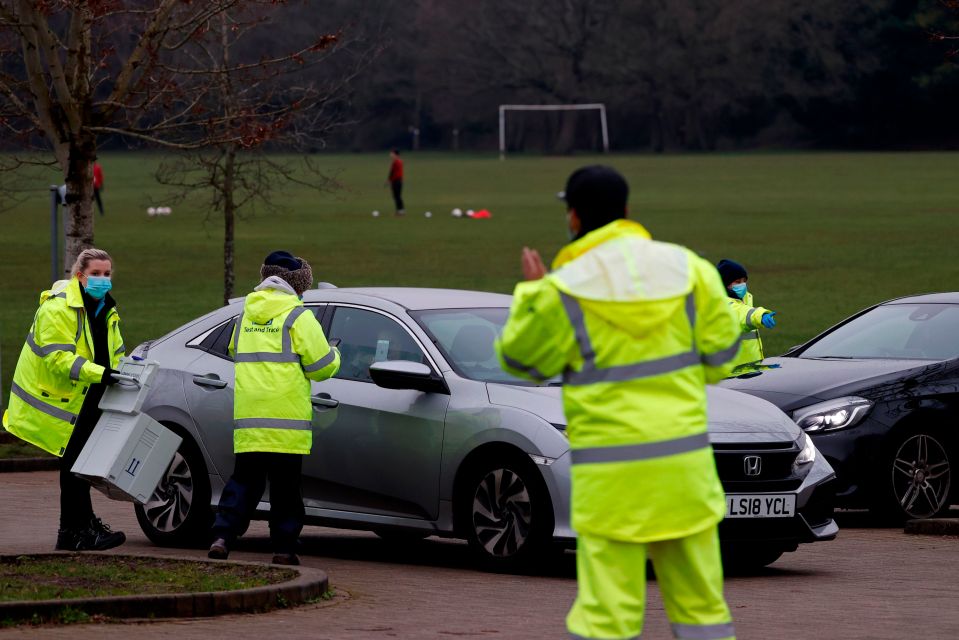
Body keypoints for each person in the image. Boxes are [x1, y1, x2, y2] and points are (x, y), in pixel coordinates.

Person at [496, 165, 741, 640]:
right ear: (627, 212)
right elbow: (722, 357)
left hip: (611, 484)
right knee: (703, 612)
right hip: (683, 473)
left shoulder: (562, 288)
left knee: (607, 618)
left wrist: (530, 291)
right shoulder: (689, 268)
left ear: (572, 217)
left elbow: (520, 362)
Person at [208, 251, 340, 565]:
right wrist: (335, 353)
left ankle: (222, 537)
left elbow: (232, 349)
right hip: (286, 419)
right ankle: (283, 548)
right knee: (285, 488)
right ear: (297, 284)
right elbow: (321, 367)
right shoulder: (298, 316)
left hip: (250, 416)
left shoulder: (245, 314)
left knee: (244, 481)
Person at [3, 248, 126, 551]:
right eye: (95, 274)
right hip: (62, 400)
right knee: (73, 465)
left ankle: (76, 529)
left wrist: (126, 373)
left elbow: (116, 353)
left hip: (88, 396)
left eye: (107, 274)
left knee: (78, 464)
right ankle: (77, 531)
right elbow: (58, 359)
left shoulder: (106, 310)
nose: (102, 280)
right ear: (79, 275)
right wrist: (103, 374)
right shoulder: (58, 309)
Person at [716, 259, 777, 369]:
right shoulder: (722, 305)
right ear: (725, 284)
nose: (743, 285)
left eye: (744, 281)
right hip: (732, 373)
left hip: (747, 369)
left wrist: (764, 368)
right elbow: (741, 314)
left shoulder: (743, 300)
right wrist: (761, 316)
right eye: (738, 282)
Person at [386, 148, 405, 216]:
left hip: (397, 181)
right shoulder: (397, 161)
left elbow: (393, 172)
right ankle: (400, 211)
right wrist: (389, 180)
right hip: (396, 181)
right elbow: (392, 172)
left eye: (392, 153)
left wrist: (389, 180)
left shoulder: (397, 162)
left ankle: (400, 211)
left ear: (395, 154)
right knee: (396, 196)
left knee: (397, 196)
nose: (390, 154)